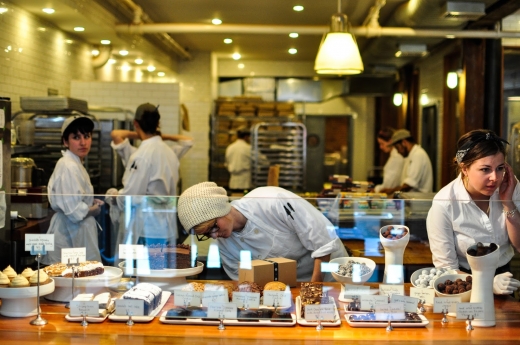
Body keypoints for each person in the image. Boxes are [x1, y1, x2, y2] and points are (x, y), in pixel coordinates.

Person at [177, 182, 348, 282]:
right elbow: (244, 279)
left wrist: (313, 291)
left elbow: (323, 242)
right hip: (291, 288)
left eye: (213, 227)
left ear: (221, 208)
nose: (214, 236)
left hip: (332, 276)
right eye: (206, 234)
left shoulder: (271, 201)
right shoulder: (225, 246)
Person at [426, 129, 520, 295]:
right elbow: (446, 269)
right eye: (485, 169)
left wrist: (508, 203)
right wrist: (487, 284)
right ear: (464, 169)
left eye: (500, 168)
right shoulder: (444, 203)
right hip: (463, 283)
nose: (495, 177)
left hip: (505, 279)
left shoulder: (510, 186)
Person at [107, 103, 193, 248]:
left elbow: (131, 196)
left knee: (142, 270)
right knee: (160, 269)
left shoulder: (141, 155)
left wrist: (115, 195)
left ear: (136, 123)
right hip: (167, 227)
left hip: (147, 229)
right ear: (158, 124)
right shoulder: (169, 152)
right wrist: (157, 135)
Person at [42, 115, 103, 265]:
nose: (83, 142)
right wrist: (93, 210)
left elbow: (73, 199)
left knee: (80, 281)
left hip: (76, 233)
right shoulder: (68, 165)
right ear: (65, 141)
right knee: (69, 281)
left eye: (87, 136)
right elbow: (74, 211)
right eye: (76, 137)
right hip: (69, 234)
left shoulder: (75, 163)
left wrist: (89, 201)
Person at [380, 129, 433, 194]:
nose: (398, 152)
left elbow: (409, 185)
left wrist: (391, 191)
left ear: (404, 142)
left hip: (419, 201)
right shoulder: (410, 155)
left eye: (397, 148)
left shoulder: (418, 154)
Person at [373, 127, 404, 193]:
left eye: (382, 143)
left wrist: (376, 189)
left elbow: (389, 185)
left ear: (390, 141)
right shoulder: (394, 155)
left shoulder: (397, 156)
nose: (380, 147)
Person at [225, 127, 252, 193]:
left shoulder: (230, 147)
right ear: (246, 137)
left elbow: (226, 163)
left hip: (233, 183)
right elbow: (262, 160)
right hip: (245, 182)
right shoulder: (248, 148)